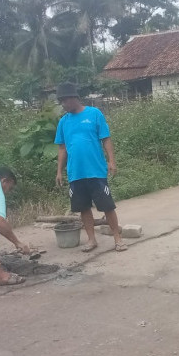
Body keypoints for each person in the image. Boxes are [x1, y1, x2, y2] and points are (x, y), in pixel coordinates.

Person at [54, 82, 127, 252]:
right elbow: (62, 148)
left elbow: (106, 139)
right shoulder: (63, 122)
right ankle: (91, 240)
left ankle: (118, 239)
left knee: (107, 206)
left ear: (74, 98)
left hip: (96, 170)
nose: (63, 105)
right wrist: (59, 171)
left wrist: (112, 161)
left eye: (65, 101)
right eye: (61, 102)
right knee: (83, 208)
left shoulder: (94, 114)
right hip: (75, 173)